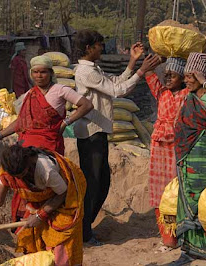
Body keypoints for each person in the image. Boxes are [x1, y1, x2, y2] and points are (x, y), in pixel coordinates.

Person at [0, 55, 93, 224]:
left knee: (49, 186)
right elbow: (20, 122)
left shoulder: (61, 90)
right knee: (23, 184)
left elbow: (86, 105)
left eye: (44, 72)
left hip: (49, 145)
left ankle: (47, 220)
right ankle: (22, 223)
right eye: (36, 72)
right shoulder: (28, 95)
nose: (40, 76)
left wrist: (66, 122)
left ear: (51, 73)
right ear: (31, 74)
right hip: (26, 147)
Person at [73, 29, 161, 245]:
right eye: (98, 45)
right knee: (94, 184)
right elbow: (116, 91)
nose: (102, 48)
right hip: (91, 133)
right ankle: (84, 233)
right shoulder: (86, 72)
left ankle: (86, 230)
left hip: (99, 132)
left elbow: (115, 82)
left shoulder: (94, 69)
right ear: (89, 48)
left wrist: (132, 62)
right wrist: (141, 72)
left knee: (102, 183)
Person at [0, 144, 87, 266]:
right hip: (39, 202)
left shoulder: (46, 170)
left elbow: (62, 194)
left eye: (22, 175)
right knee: (34, 244)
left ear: (28, 163)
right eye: (16, 177)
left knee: (60, 248)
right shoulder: (8, 170)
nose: (20, 179)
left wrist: (40, 215)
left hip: (65, 201)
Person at [171, 52, 206, 264]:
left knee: (204, 201)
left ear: (201, 76)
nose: (186, 80)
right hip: (188, 157)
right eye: (186, 76)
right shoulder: (190, 97)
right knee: (187, 199)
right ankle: (190, 248)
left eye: (191, 76)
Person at [144, 57, 189, 247]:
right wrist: (156, 59)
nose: (167, 77)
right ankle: (167, 235)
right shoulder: (161, 93)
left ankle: (181, 232)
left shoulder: (188, 94)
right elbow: (147, 73)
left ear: (183, 77)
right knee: (159, 191)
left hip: (177, 147)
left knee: (177, 190)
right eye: (166, 73)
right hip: (159, 148)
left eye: (173, 74)